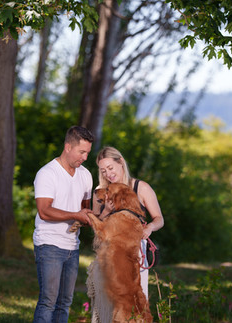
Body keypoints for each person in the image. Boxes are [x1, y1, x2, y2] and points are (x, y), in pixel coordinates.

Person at [86, 146, 164, 323]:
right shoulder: (100, 191)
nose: (108, 174)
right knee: (107, 306)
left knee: (132, 301)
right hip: (108, 254)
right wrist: (105, 209)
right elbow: (96, 226)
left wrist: (150, 227)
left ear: (120, 162)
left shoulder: (140, 187)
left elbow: (159, 219)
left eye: (111, 168)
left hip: (134, 253)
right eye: (103, 170)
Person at [33, 126, 94, 323]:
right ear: (68, 147)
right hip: (49, 244)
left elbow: (85, 209)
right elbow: (44, 211)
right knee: (48, 302)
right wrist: (76, 214)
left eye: (87, 153)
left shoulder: (85, 175)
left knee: (65, 302)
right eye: (81, 152)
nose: (84, 157)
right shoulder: (47, 173)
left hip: (72, 247)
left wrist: (90, 216)